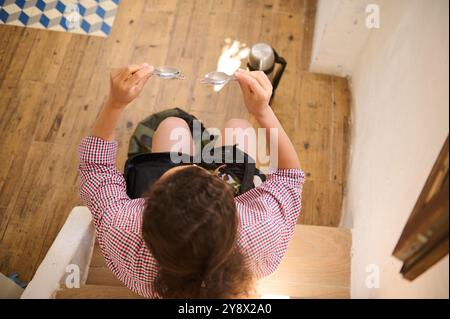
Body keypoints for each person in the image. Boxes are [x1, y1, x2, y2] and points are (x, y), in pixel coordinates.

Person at [78, 63, 305, 298]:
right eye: (208, 174)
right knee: (240, 128)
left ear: (144, 214)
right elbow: (291, 176)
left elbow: (96, 168)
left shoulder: (122, 229)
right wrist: (263, 111)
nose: (195, 164)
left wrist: (116, 103)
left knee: (171, 125)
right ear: (234, 211)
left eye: (171, 174)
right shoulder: (262, 228)